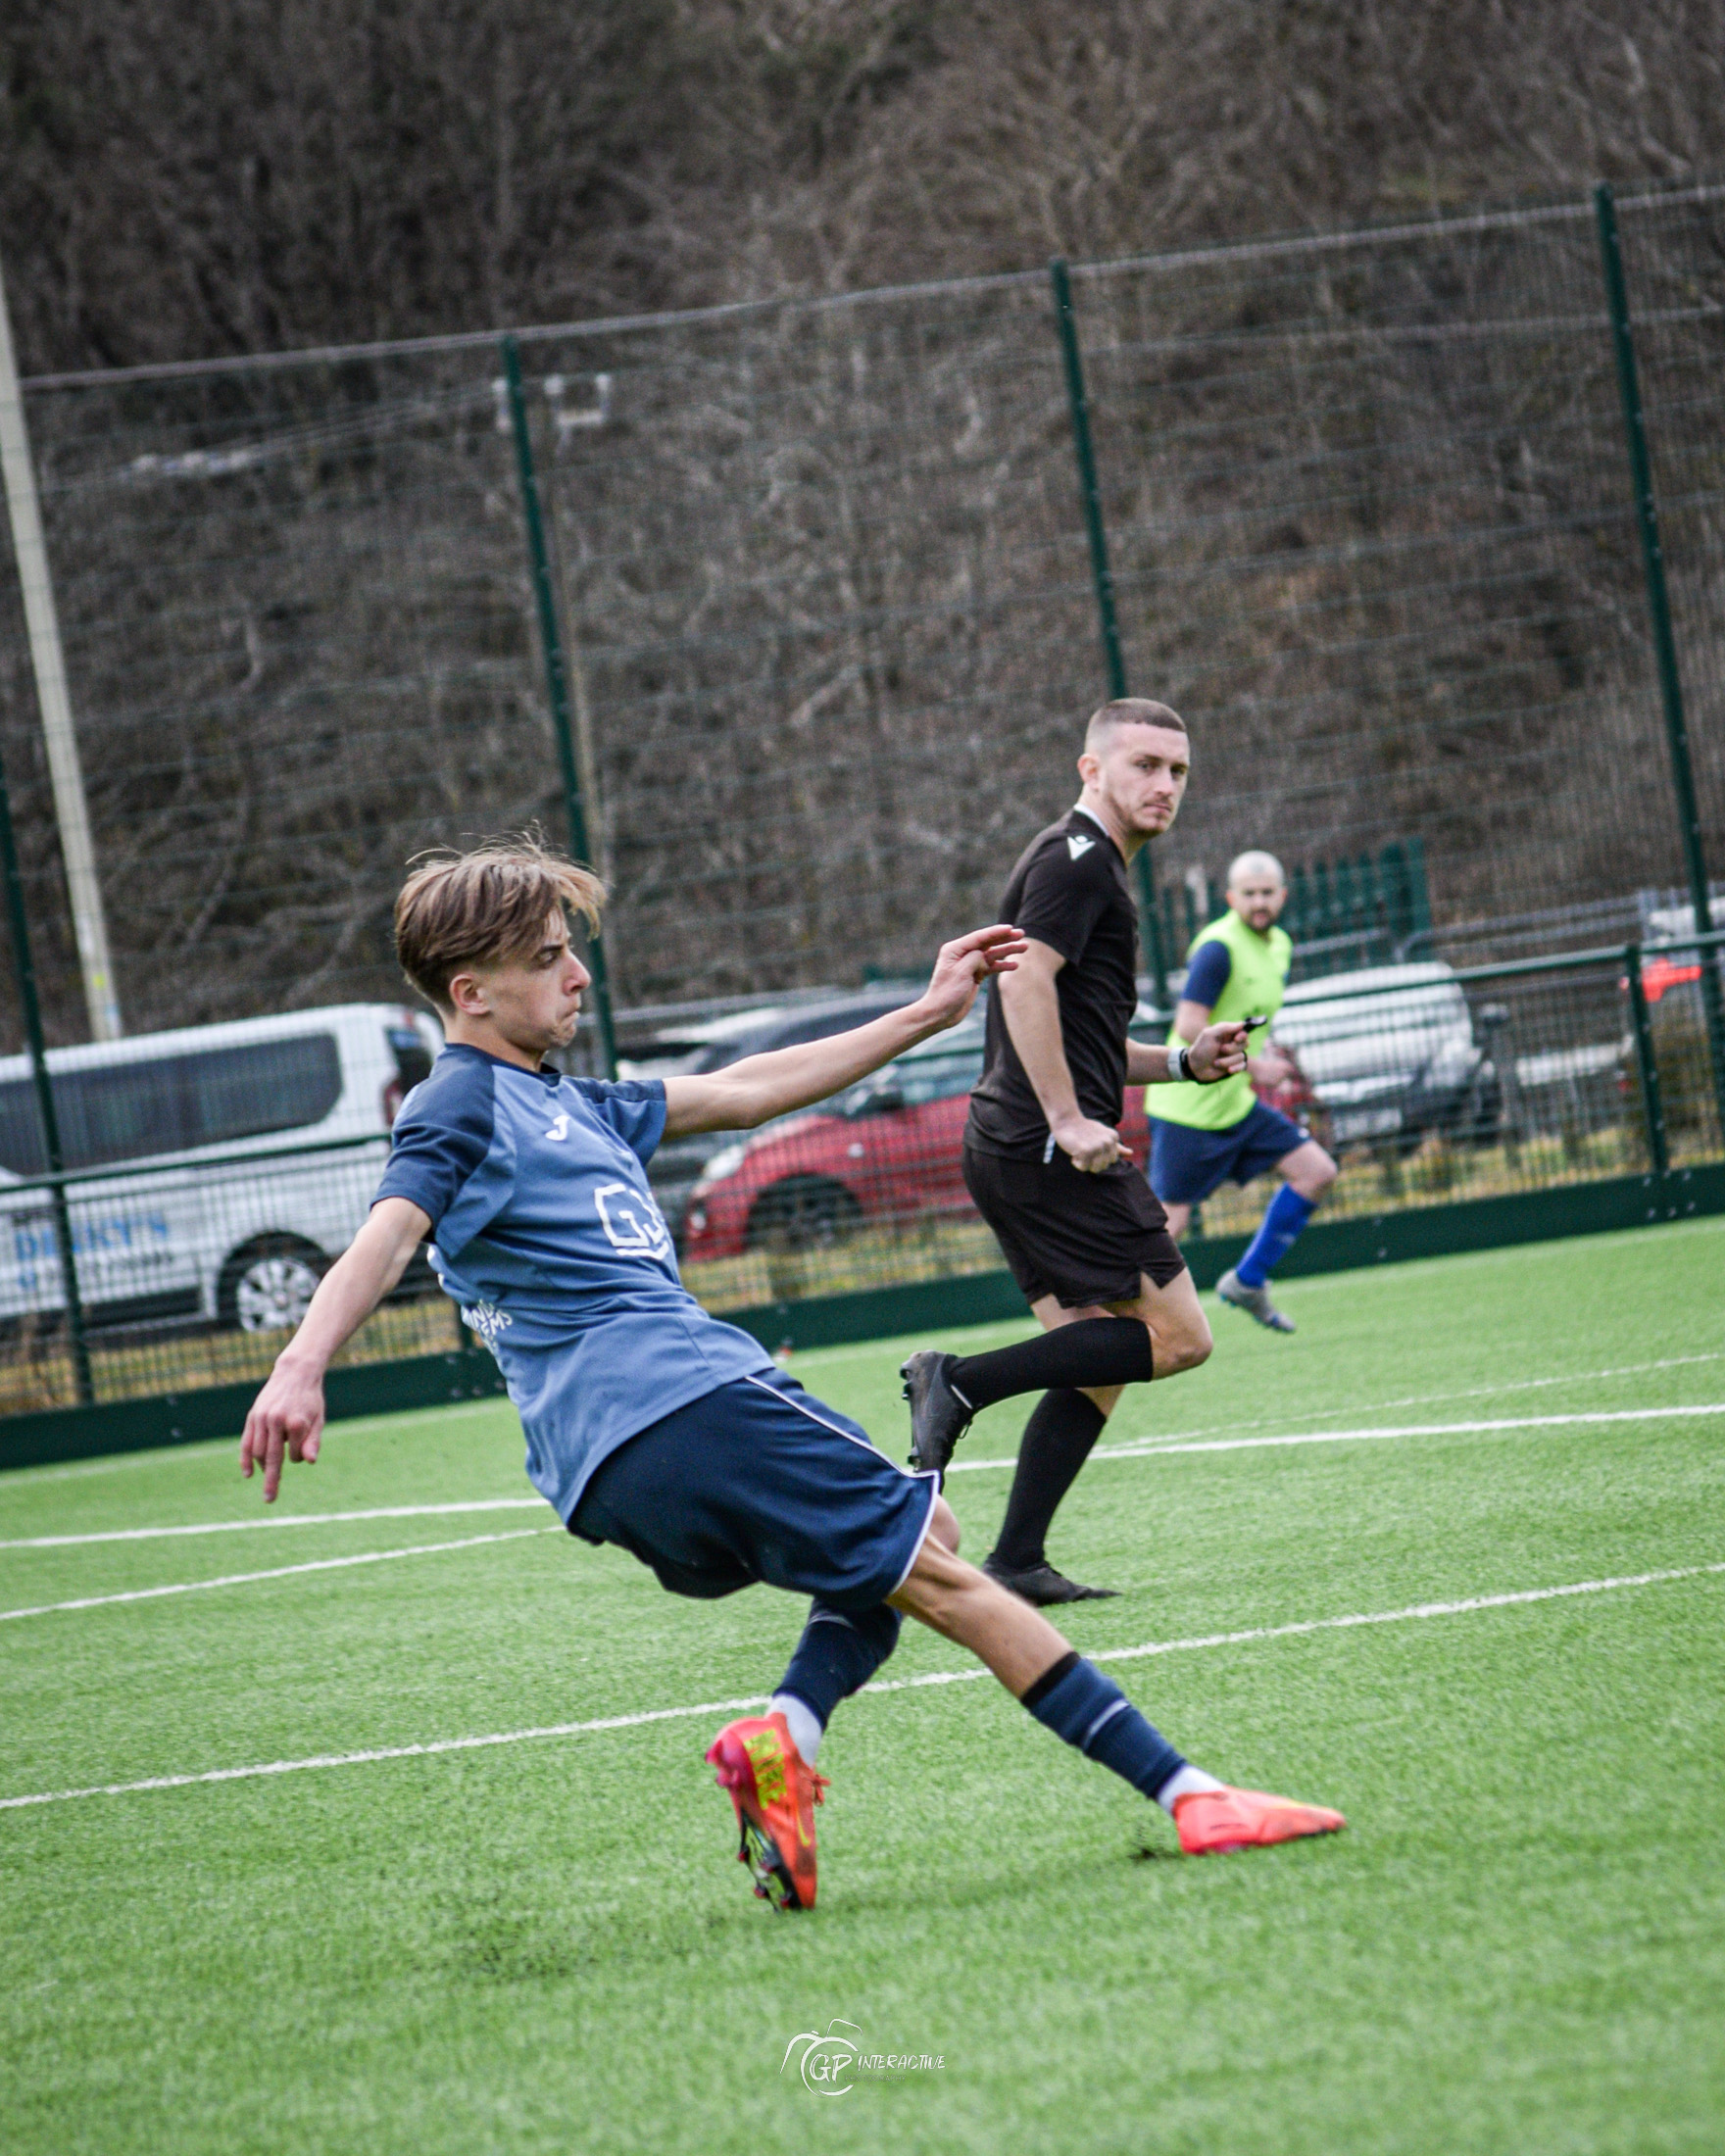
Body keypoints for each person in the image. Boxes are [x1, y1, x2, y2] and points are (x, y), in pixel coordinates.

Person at [240, 837, 1343, 1914]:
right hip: (680, 1401)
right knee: (953, 1582)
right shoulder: (458, 1103)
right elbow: (389, 1231)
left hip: (609, 1464)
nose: (577, 973)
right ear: (471, 992)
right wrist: (300, 1363)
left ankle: (786, 1740)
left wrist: (920, 1016)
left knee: (922, 1543)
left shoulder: (573, 1105)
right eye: (546, 958)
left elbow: (746, 1088)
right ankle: (1192, 1796)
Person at [901, 699, 1250, 1606]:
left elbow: (1079, 1034)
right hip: (1041, 1145)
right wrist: (1065, 1119)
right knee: (1178, 1339)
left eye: (1177, 771)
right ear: (1091, 768)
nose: (1164, 785)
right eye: (1144, 765)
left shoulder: (1088, 866)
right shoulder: (1078, 859)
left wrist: (1179, 1062)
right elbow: (1024, 980)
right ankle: (958, 1382)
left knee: (1097, 1357)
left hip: (1010, 1144)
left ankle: (1016, 1559)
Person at [1149, 851, 1338, 1335]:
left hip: (1235, 1103)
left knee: (1316, 1171)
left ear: (1282, 896)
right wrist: (1258, 1068)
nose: (1259, 902)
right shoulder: (1218, 948)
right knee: (1168, 1224)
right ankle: (1118, 1316)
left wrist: (1262, 1057)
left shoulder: (1280, 945)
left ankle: (1248, 1280)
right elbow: (1190, 1025)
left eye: (1267, 892)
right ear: (1231, 898)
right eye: (1248, 894)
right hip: (1188, 1107)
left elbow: (1248, 1016)